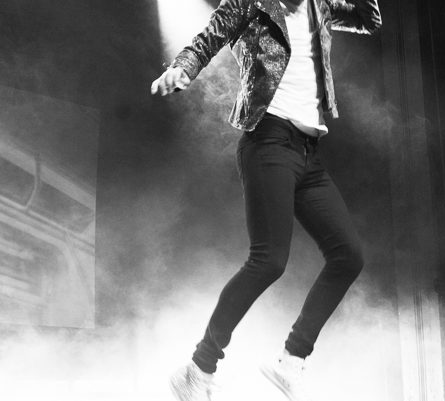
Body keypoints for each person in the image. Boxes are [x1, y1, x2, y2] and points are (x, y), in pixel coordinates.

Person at [151, 0, 382, 400]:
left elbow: (367, 18)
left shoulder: (321, 6)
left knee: (348, 256)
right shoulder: (251, 4)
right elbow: (209, 37)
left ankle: (291, 360)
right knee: (268, 261)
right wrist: (183, 68)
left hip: (308, 153)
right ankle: (197, 369)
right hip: (268, 142)